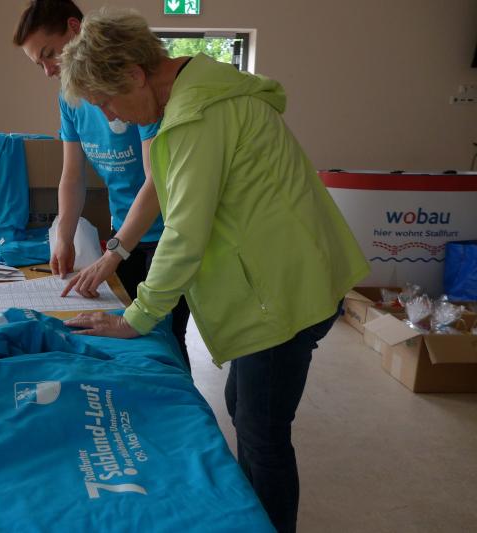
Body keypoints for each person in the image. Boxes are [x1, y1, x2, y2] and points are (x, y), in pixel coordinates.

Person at [58, 8, 369, 533]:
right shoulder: (200, 93)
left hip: (286, 294)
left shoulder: (195, 117)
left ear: (134, 74)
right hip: (294, 276)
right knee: (241, 405)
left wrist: (136, 317)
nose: (112, 117)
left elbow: (183, 234)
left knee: (262, 432)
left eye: (106, 102)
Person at [12, 0, 191, 366]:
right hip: (123, 232)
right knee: (122, 333)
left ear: (74, 29)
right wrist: (64, 236)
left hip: (165, 234)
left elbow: (157, 181)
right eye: (38, 64)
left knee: (164, 338)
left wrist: (113, 253)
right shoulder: (69, 99)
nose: (48, 71)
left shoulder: (134, 87)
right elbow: (72, 175)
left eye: (49, 54)